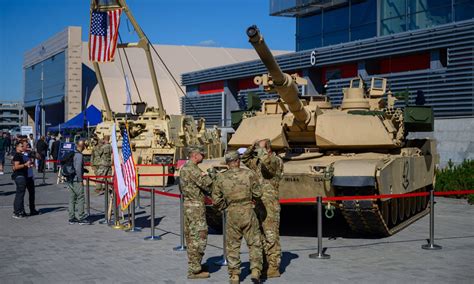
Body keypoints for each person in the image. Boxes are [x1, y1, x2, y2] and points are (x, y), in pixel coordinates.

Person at [212, 150, 263, 284]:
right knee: (254, 243)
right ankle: (256, 270)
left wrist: (225, 207)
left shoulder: (221, 177)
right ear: (237, 161)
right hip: (248, 210)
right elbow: (258, 193)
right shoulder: (249, 174)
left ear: (228, 163)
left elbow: (216, 199)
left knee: (233, 246)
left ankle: (234, 275)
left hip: (232, 212)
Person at [241, 138, 284, 278]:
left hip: (270, 204)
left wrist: (262, 150)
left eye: (261, 149)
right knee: (258, 235)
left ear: (268, 150)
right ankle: (262, 264)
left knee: (271, 235)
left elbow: (268, 165)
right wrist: (251, 146)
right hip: (258, 204)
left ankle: (273, 266)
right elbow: (245, 159)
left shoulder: (275, 160)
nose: (258, 151)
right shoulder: (257, 162)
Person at [180, 146, 213, 279]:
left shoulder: (185, 168)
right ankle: (194, 270)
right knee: (199, 236)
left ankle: (196, 264)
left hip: (189, 205)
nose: (203, 157)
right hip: (195, 207)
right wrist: (212, 175)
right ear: (194, 156)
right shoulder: (193, 169)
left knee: (191, 236)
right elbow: (207, 185)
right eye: (201, 154)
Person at [11, 141, 39, 218]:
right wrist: (25, 165)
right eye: (23, 146)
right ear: (18, 147)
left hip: (28, 176)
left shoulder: (25, 154)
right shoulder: (17, 155)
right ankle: (17, 212)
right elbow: (15, 167)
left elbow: (38, 157)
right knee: (20, 195)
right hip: (21, 176)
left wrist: (32, 152)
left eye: (27, 145)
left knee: (30, 194)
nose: (26, 147)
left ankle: (28, 210)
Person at [66, 140, 89, 225]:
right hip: (76, 179)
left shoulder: (72, 153)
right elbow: (78, 168)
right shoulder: (79, 155)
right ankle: (81, 217)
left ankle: (71, 217)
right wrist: (80, 180)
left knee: (72, 198)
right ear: (82, 146)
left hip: (70, 179)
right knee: (80, 198)